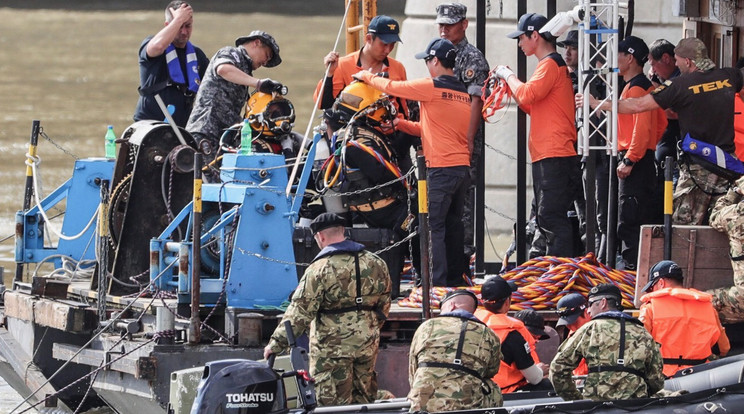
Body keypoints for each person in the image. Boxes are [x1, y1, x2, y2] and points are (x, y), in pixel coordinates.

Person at [577, 37, 744, 225]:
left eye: (678, 60)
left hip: (698, 168)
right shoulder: (730, 76)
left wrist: (596, 103)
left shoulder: (679, 85)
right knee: (724, 222)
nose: (676, 65)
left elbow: (638, 105)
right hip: (728, 166)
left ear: (688, 61)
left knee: (683, 228)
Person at [353, 38, 471, 287]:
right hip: (461, 169)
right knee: (453, 226)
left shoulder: (431, 87)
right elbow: (436, 129)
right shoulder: (463, 93)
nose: (427, 66)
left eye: (427, 61)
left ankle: (434, 287)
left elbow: (395, 87)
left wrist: (366, 76)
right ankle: (454, 281)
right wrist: (400, 124)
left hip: (440, 170)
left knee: (432, 227)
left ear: (435, 61)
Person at [263, 212, 391, 406]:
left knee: (328, 404)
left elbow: (300, 312)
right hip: (367, 343)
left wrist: (275, 344)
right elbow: (384, 304)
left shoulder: (319, 269)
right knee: (365, 401)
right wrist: (368, 327)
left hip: (331, 349)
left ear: (320, 237)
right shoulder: (376, 262)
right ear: (343, 232)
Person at [495, 13, 581, 258]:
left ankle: (560, 274)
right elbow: (533, 105)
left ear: (535, 35)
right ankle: (553, 271)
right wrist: (512, 89)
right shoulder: (551, 65)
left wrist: (507, 75)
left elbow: (527, 95)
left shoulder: (550, 64)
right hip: (550, 153)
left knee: (551, 217)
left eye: (522, 38)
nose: (520, 44)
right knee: (547, 217)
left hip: (555, 153)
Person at [435, 2, 490, 260]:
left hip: (462, 142)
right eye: (441, 25)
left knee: (463, 203)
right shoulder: (438, 53)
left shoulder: (471, 58)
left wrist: (467, 142)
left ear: (464, 25)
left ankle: (463, 257)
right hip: (442, 142)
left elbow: (475, 102)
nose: (444, 30)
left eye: (450, 25)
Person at [550, 283, 665, 401]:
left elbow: (557, 369)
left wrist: (576, 399)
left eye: (590, 304)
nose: (588, 310)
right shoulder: (643, 332)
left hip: (595, 406)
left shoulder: (589, 329)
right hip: (634, 405)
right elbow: (656, 378)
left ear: (603, 302)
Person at [612, 36, 667, 270]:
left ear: (629, 57)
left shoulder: (637, 88)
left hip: (634, 161)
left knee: (630, 220)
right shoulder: (643, 86)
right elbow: (661, 123)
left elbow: (642, 129)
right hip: (643, 158)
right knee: (636, 218)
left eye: (618, 54)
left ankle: (631, 273)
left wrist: (630, 158)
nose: (614, 59)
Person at [186, 31, 283, 155]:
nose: (265, 62)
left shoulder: (245, 72)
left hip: (224, 137)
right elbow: (223, 69)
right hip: (205, 131)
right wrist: (258, 84)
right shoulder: (231, 53)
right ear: (257, 43)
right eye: (267, 55)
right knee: (206, 173)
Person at [408, 289, 503, 411]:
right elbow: (492, 371)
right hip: (467, 406)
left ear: (451, 306)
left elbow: (413, 368)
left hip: (422, 405)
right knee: (492, 387)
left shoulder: (426, 326)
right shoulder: (488, 334)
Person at [639, 260, 730, 377]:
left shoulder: (650, 308)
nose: (651, 291)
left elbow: (639, 348)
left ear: (661, 283)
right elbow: (723, 348)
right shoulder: (707, 307)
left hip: (663, 378)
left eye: (652, 287)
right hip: (700, 376)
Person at [133, 1, 210, 127]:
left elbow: (213, 82)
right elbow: (157, 46)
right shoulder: (152, 45)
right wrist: (178, 19)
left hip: (181, 129)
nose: (184, 32)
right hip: (149, 126)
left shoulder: (197, 55)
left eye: (188, 26)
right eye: (180, 26)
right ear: (168, 25)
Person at [474, 276, 551, 393]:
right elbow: (534, 378)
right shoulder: (512, 335)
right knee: (548, 386)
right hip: (503, 393)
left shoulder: (471, 325)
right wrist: (541, 371)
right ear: (506, 302)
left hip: (475, 390)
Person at [708, 176, 744, 322]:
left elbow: (714, 216)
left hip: (742, 298)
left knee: (701, 302)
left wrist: (733, 192)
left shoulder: (734, 215)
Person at [647, 39, 681, 169]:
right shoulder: (664, 80)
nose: (653, 70)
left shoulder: (680, 80)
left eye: (653, 64)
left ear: (666, 58)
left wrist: (655, 93)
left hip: (677, 154)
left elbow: (675, 113)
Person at [555, 293, 590, 378]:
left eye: (574, 322)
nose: (571, 326)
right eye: (567, 323)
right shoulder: (573, 331)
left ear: (586, 312)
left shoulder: (600, 332)